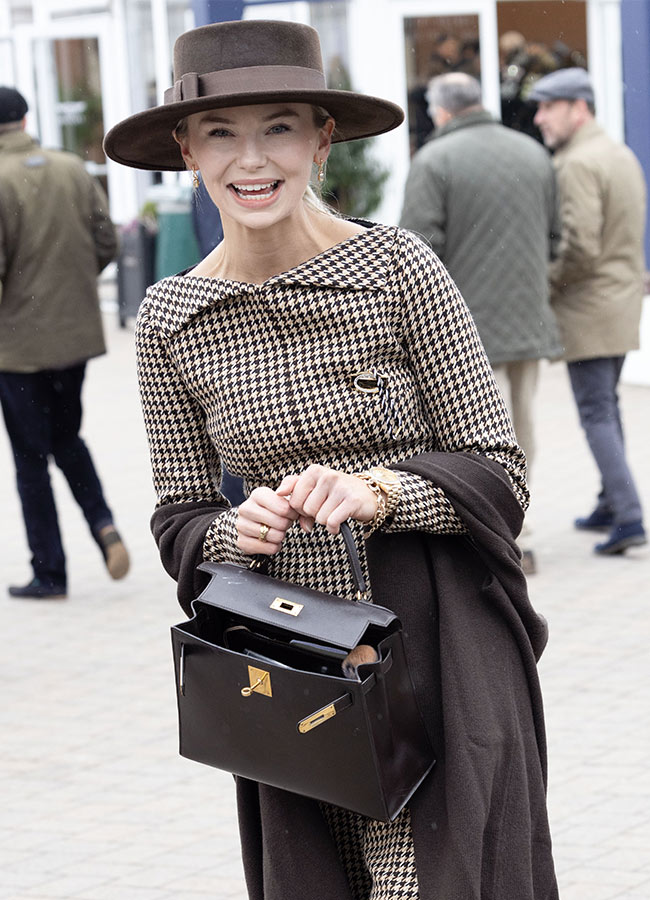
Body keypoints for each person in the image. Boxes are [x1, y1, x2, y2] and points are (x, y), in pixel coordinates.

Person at [104, 20, 557, 899]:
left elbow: (501, 469)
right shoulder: (170, 319)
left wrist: (380, 490)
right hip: (285, 668)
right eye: (222, 133)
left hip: (436, 646)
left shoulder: (399, 267)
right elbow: (178, 516)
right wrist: (235, 530)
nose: (252, 158)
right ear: (186, 149)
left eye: (278, 126)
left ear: (321, 140)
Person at [400, 72, 562, 575]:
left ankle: (486, 521)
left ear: (442, 111)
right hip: (527, 316)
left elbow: (414, 249)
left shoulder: (433, 160)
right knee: (522, 421)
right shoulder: (534, 153)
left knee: (468, 432)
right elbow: (556, 234)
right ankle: (521, 520)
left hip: (461, 325)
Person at [0, 87, 129, 598]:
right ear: (27, 118)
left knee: (31, 458)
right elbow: (107, 242)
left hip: (18, 349)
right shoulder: (72, 168)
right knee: (67, 438)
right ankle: (103, 524)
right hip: (73, 342)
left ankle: (49, 571)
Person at [530, 68, 647, 555]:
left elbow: (580, 246)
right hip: (619, 300)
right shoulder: (617, 152)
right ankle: (609, 501)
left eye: (548, 107)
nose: (539, 118)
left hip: (588, 306)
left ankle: (628, 513)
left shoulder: (576, 163)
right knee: (608, 405)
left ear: (579, 107)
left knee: (595, 411)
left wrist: (545, 279)